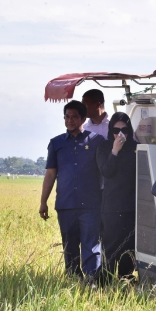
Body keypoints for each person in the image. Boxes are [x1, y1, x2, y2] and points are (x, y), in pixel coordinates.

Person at [39, 100, 104, 283]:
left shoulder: (97, 141)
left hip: (91, 205)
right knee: (70, 246)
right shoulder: (56, 143)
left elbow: (106, 170)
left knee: (91, 245)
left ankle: (92, 281)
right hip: (66, 204)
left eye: (74, 117)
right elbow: (51, 174)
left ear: (83, 118)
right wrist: (43, 202)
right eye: (67, 117)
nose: (70, 120)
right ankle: (74, 280)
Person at [96, 112, 137, 280]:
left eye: (124, 130)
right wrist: (114, 151)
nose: (120, 134)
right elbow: (106, 171)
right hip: (112, 206)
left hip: (132, 205)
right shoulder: (104, 148)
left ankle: (125, 278)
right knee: (111, 246)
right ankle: (104, 280)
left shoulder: (135, 147)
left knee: (129, 247)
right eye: (116, 130)